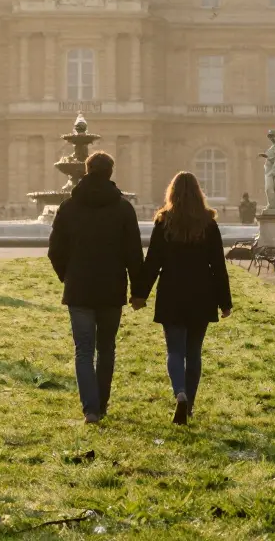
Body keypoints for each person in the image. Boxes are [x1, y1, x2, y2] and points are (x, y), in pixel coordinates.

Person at [47, 151, 143, 424]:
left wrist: (68, 276)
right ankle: (101, 404)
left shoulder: (68, 207)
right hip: (112, 289)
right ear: (111, 173)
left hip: (79, 288)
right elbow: (134, 254)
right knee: (107, 348)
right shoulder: (124, 208)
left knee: (84, 350)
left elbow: (55, 250)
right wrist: (138, 291)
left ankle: (90, 409)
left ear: (86, 172)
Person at [132, 172, 233, 426]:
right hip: (202, 292)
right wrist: (225, 302)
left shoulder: (164, 221)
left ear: (172, 193)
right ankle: (189, 408)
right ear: (199, 193)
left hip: (172, 291)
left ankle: (180, 393)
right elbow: (218, 265)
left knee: (175, 350)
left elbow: (153, 261)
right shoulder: (209, 224)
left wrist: (140, 294)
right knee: (194, 352)